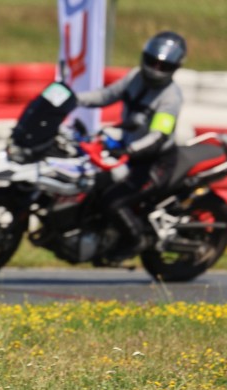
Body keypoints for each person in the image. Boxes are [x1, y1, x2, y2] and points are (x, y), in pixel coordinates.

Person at [76, 31, 187, 257]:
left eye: (163, 66)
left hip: (154, 162)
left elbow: (158, 137)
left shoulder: (170, 97)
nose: (155, 69)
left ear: (174, 68)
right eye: (151, 62)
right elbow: (106, 95)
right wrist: (74, 98)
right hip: (128, 151)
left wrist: (127, 150)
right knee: (95, 186)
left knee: (113, 201)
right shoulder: (135, 77)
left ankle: (134, 241)